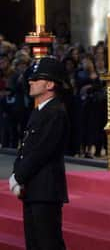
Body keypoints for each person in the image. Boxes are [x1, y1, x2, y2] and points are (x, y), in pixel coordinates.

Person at [10, 56, 69, 249]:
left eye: (37, 78)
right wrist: (18, 174)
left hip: (46, 190)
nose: (30, 81)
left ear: (50, 84)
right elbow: (26, 147)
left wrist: (18, 176)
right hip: (34, 189)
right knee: (34, 244)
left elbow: (41, 151)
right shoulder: (41, 111)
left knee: (48, 244)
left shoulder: (55, 112)